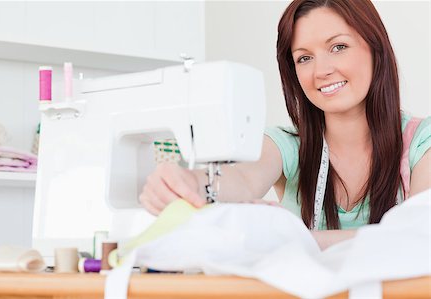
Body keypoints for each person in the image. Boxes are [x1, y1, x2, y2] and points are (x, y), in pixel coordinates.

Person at [139, 0, 431, 250]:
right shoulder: (287, 145)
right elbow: (243, 178)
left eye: (339, 46)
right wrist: (190, 183)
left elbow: (419, 235)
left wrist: (296, 239)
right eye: (304, 58)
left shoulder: (421, 142)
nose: (322, 71)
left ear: (375, 48)